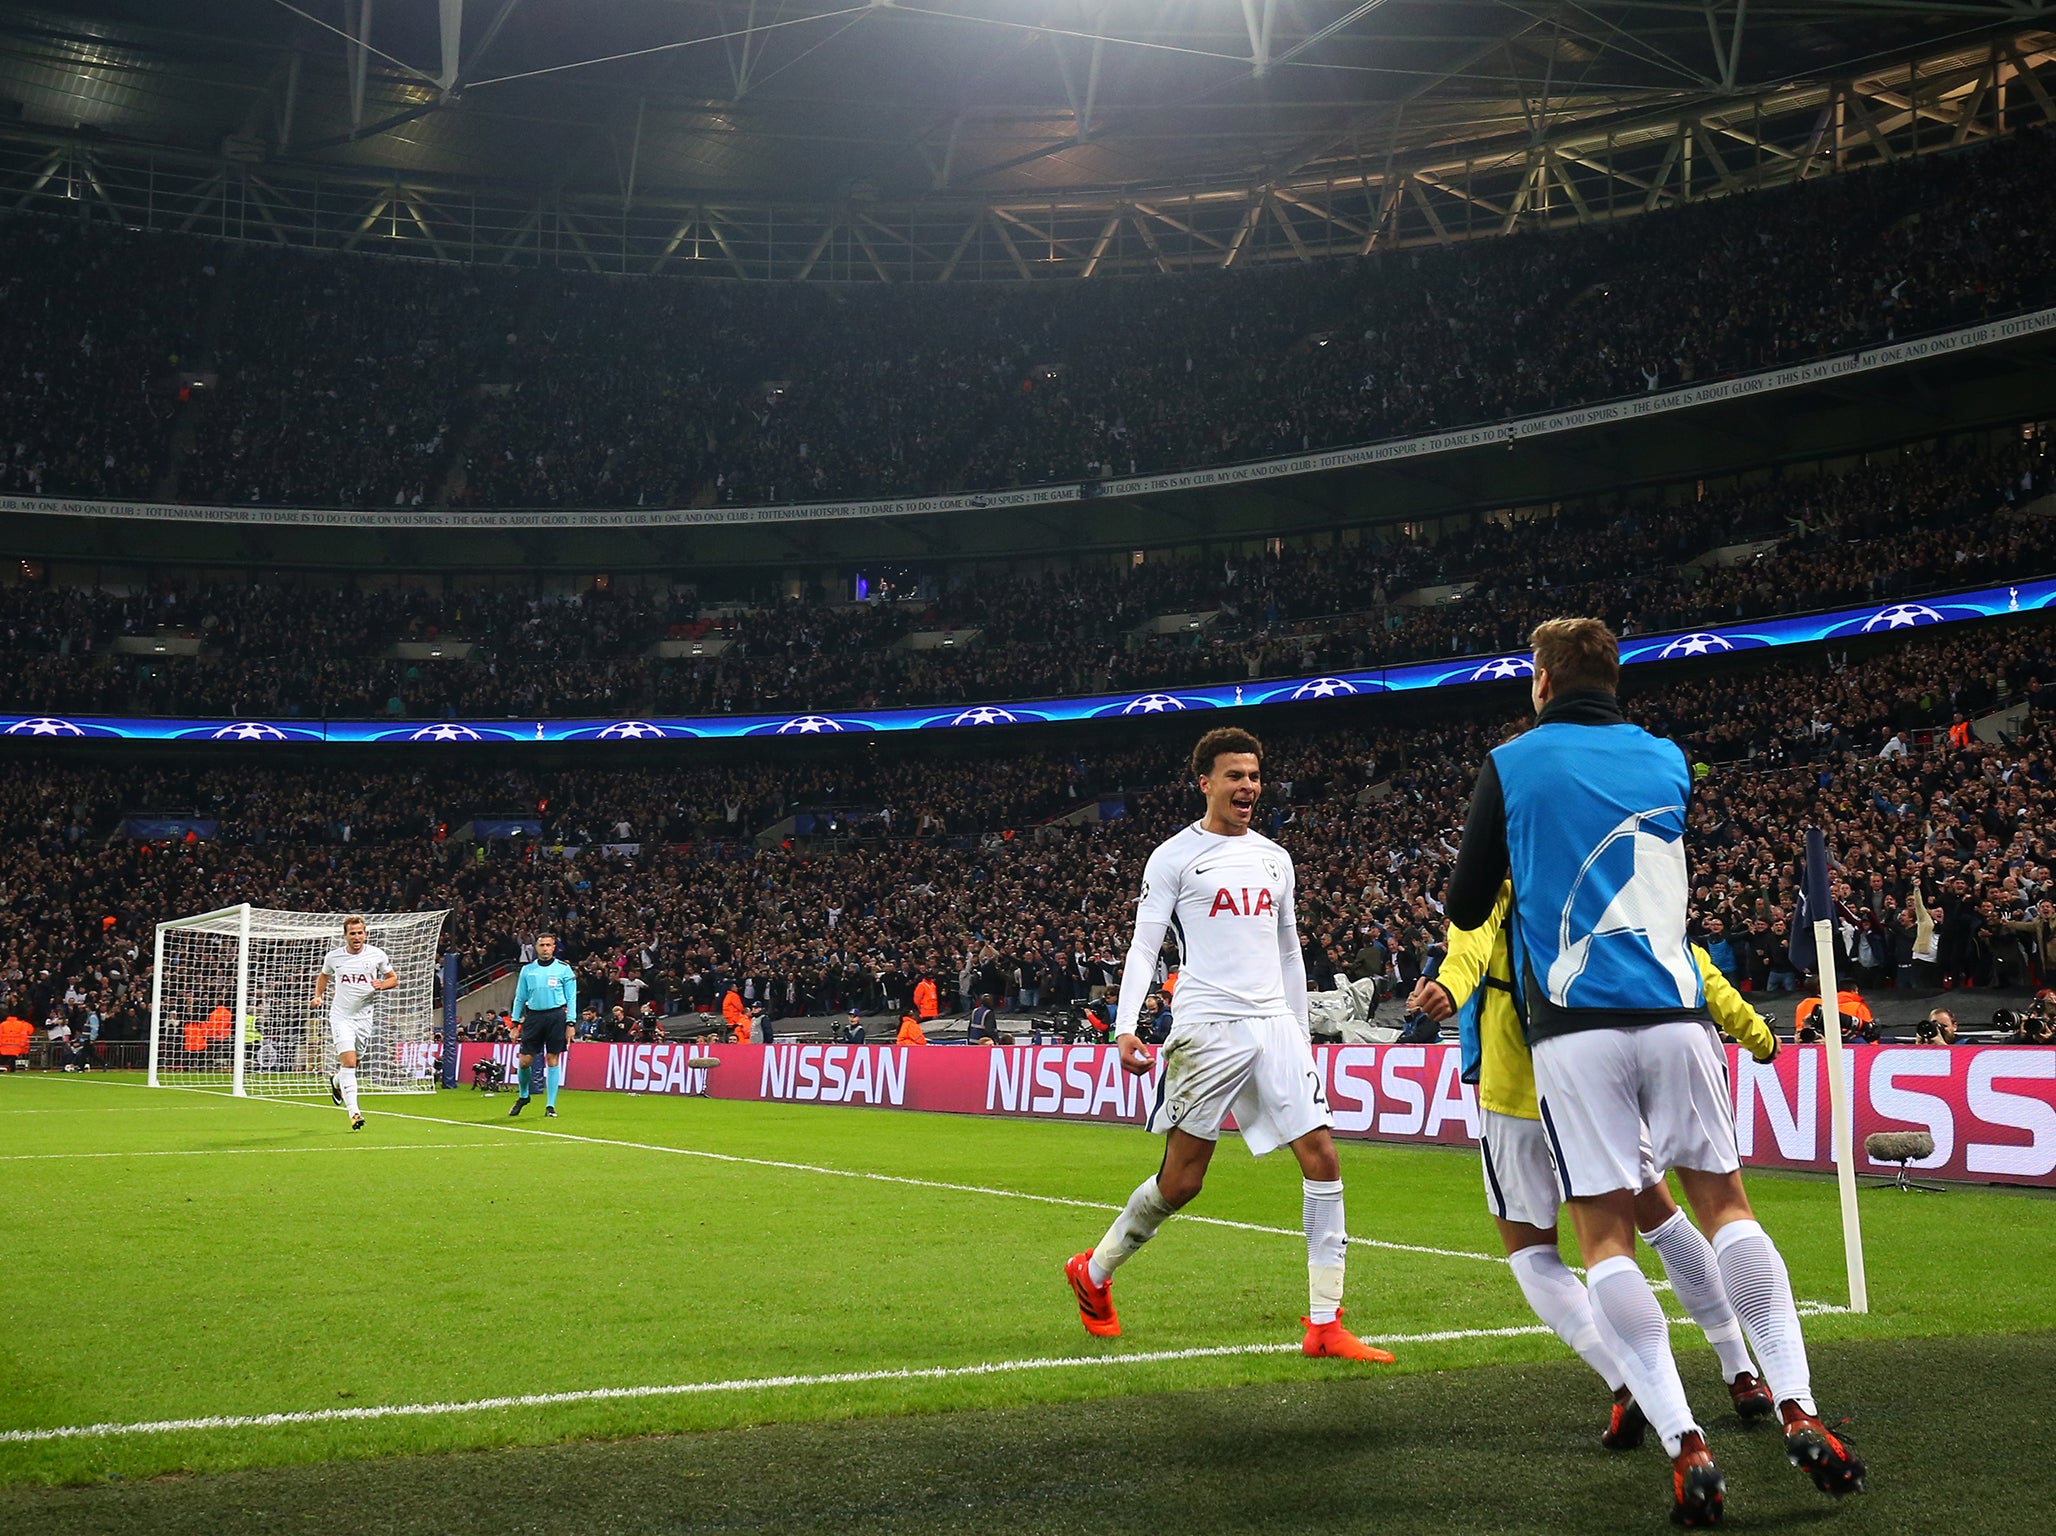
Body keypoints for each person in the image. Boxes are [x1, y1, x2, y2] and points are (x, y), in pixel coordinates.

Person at [1442, 618, 1862, 1526]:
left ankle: (1686, 1443)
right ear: (1616, 678)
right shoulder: (1668, 759)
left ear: (1543, 681)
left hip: (1573, 1032)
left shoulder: (1512, 762)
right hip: (1677, 1015)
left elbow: (1468, 902)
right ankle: (1796, 1402)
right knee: (1725, 1205)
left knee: (1603, 1238)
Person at [1064, 727, 1393, 1365]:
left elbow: (1290, 951)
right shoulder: (1174, 857)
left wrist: (1300, 1035)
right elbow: (1144, 945)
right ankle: (1094, 1270)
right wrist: (1125, 1024)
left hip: (1273, 1025)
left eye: (1254, 776)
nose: (1247, 787)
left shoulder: (1276, 858)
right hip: (1207, 1027)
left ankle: (1325, 1324)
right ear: (1205, 783)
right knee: (1183, 1182)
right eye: (1234, 776)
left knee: (1322, 1157)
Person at [1412, 878, 1778, 1451]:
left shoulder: (1500, 882)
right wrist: (1759, 1036)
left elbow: (1470, 948)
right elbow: (1688, 960)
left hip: (1518, 1091)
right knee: (1660, 1215)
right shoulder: (1598, 873)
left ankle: (1630, 1381)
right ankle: (1741, 1369)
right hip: (1598, 1079)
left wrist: (1449, 991)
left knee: (1535, 1251)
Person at [312, 916, 397, 1132]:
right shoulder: (334, 957)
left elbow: (393, 979)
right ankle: (354, 1113)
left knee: (354, 1062)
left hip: (364, 1019)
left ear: (365, 934)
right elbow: (323, 976)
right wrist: (318, 996)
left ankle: (337, 1081)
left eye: (360, 932)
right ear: (345, 935)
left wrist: (382, 984)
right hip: (341, 1017)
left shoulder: (377, 955)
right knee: (349, 1063)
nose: (357, 937)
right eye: (352, 933)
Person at [508, 931, 577, 1119]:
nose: (545, 948)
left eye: (548, 945)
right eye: (542, 945)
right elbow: (520, 997)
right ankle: (524, 1096)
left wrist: (571, 1022)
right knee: (525, 1061)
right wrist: (515, 1023)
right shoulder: (527, 970)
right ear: (536, 947)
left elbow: (571, 997)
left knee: (552, 1059)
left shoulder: (564, 969)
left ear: (554, 947)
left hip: (556, 1016)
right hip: (533, 1017)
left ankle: (550, 1105)